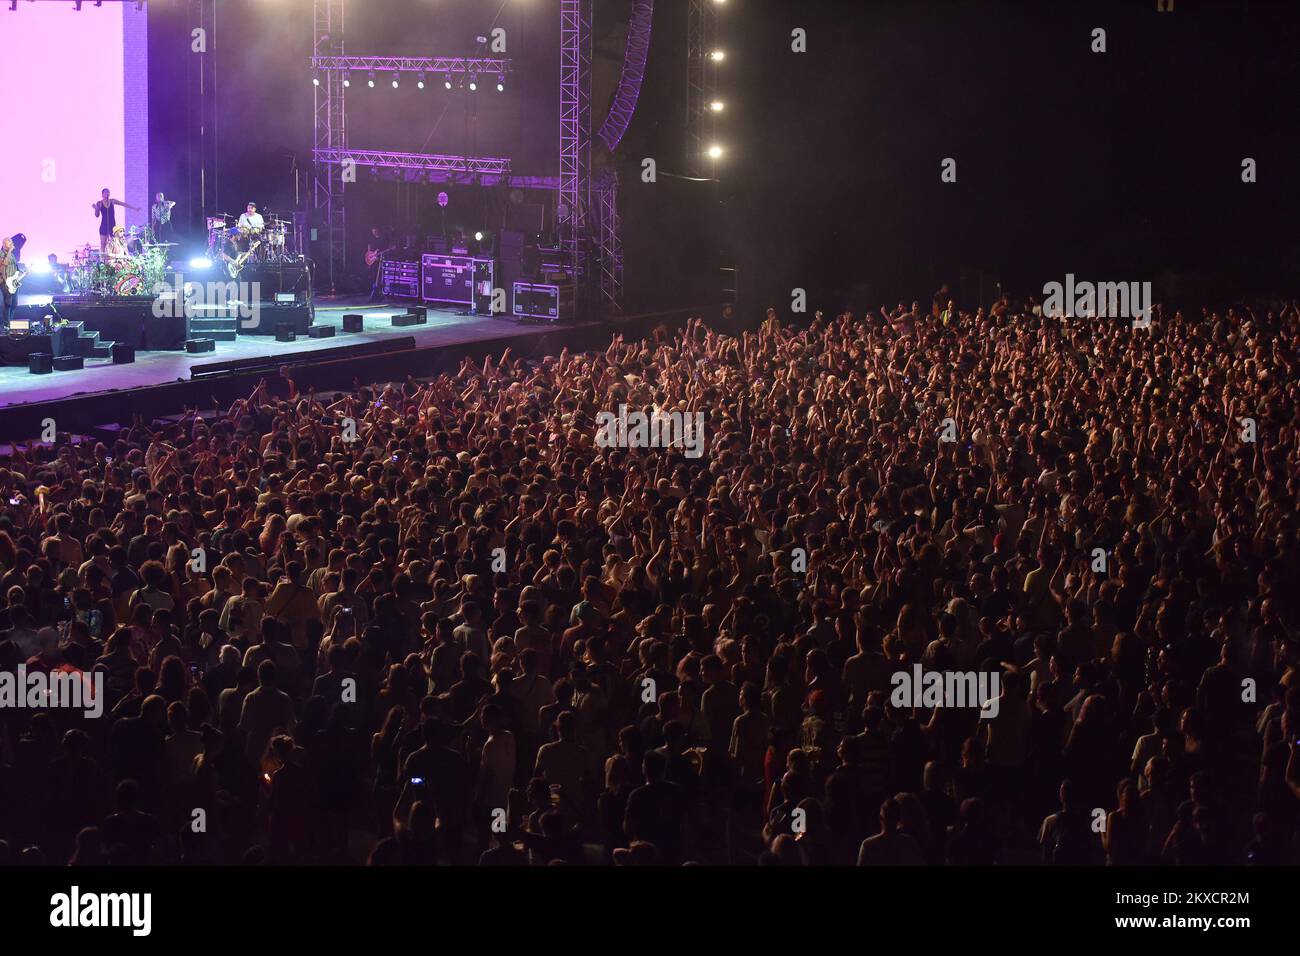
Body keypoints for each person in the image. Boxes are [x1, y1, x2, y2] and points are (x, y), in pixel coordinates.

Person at [0, 236, 19, 328]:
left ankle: (10, 322)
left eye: (11, 242)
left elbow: (14, 266)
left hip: (13, 282)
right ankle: (6, 324)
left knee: (14, 303)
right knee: (8, 303)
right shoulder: (1, 253)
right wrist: (10, 251)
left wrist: (22, 272)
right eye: (10, 242)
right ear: (4, 244)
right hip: (5, 282)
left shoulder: (12, 255)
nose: (12, 244)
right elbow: (5, 263)